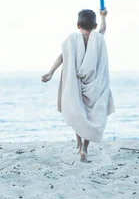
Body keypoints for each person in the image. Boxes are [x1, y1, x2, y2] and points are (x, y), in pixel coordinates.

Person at [42, 9, 114, 162]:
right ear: (94, 25)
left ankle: (79, 142)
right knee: (90, 115)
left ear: (77, 25)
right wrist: (103, 17)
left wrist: (51, 72)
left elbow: (63, 56)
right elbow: (104, 29)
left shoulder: (72, 40)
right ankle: (84, 148)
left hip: (75, 83)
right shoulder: (98, 39)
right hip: (93, 84)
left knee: (77, 111)